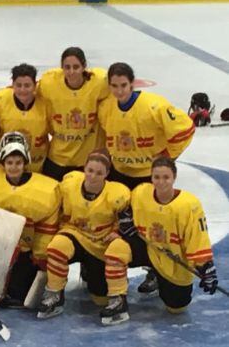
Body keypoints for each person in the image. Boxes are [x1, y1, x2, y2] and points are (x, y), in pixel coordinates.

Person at [102, 157, 218, 325]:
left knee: (176, 307)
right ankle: (117, 299)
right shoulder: (142, 192)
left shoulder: (189, 205)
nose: (161, 182)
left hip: (171, 259)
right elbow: (124, 205)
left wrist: (205, 267)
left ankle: (157, 276)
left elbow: (197, 239)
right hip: (147, 247)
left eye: (166, 177)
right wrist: (124, 222)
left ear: (174, 178)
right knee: (116, 249)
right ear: (151, 177)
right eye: (157, 177)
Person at [37, 149, 131, 319]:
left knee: (99, 298)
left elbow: (126, 221)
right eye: (90, 170)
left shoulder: (118, 194)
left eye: (99, 173)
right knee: (57, 246)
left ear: (107, 174)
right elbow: (54, 210)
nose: (93, 176)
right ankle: (54, 294)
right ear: (84, 169)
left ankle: (118, 298)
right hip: (75, 234)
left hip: (101, 242)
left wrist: (118, 233)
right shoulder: (69, 184)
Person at [0, 132, 60, 306]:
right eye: (9, 162)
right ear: (2, 163)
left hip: (25, 249)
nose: (14, 167)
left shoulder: (46, 191)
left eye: (18, 162)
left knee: (18, 296)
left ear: (25, 162)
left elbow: (47, 227)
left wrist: (40, 257)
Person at [98, 62, 195, 190]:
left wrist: (167, 155)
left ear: (132, 83)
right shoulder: (105, 108)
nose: (120, 91)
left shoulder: (155, 106)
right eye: (114, 86)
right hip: (118, 173)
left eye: (124, 85)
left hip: (149, 175)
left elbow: (185, 129)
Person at [38, 47, 109, 181]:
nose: (71, 72)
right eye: (67, 67)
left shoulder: (100, 83)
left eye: (76, 67)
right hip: (58, 159)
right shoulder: (50, 83)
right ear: (61, 68)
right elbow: (26, 90)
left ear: (84, 67)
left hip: (89, 162)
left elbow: (122, 91)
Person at [0, 63, 50, 172]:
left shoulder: (45, 103)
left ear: (35, 85)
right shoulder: (0, 100)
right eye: (18, 85)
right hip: (6, 168)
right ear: (12, 85)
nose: (23, 90)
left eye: (27, 85)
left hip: (36, 167)